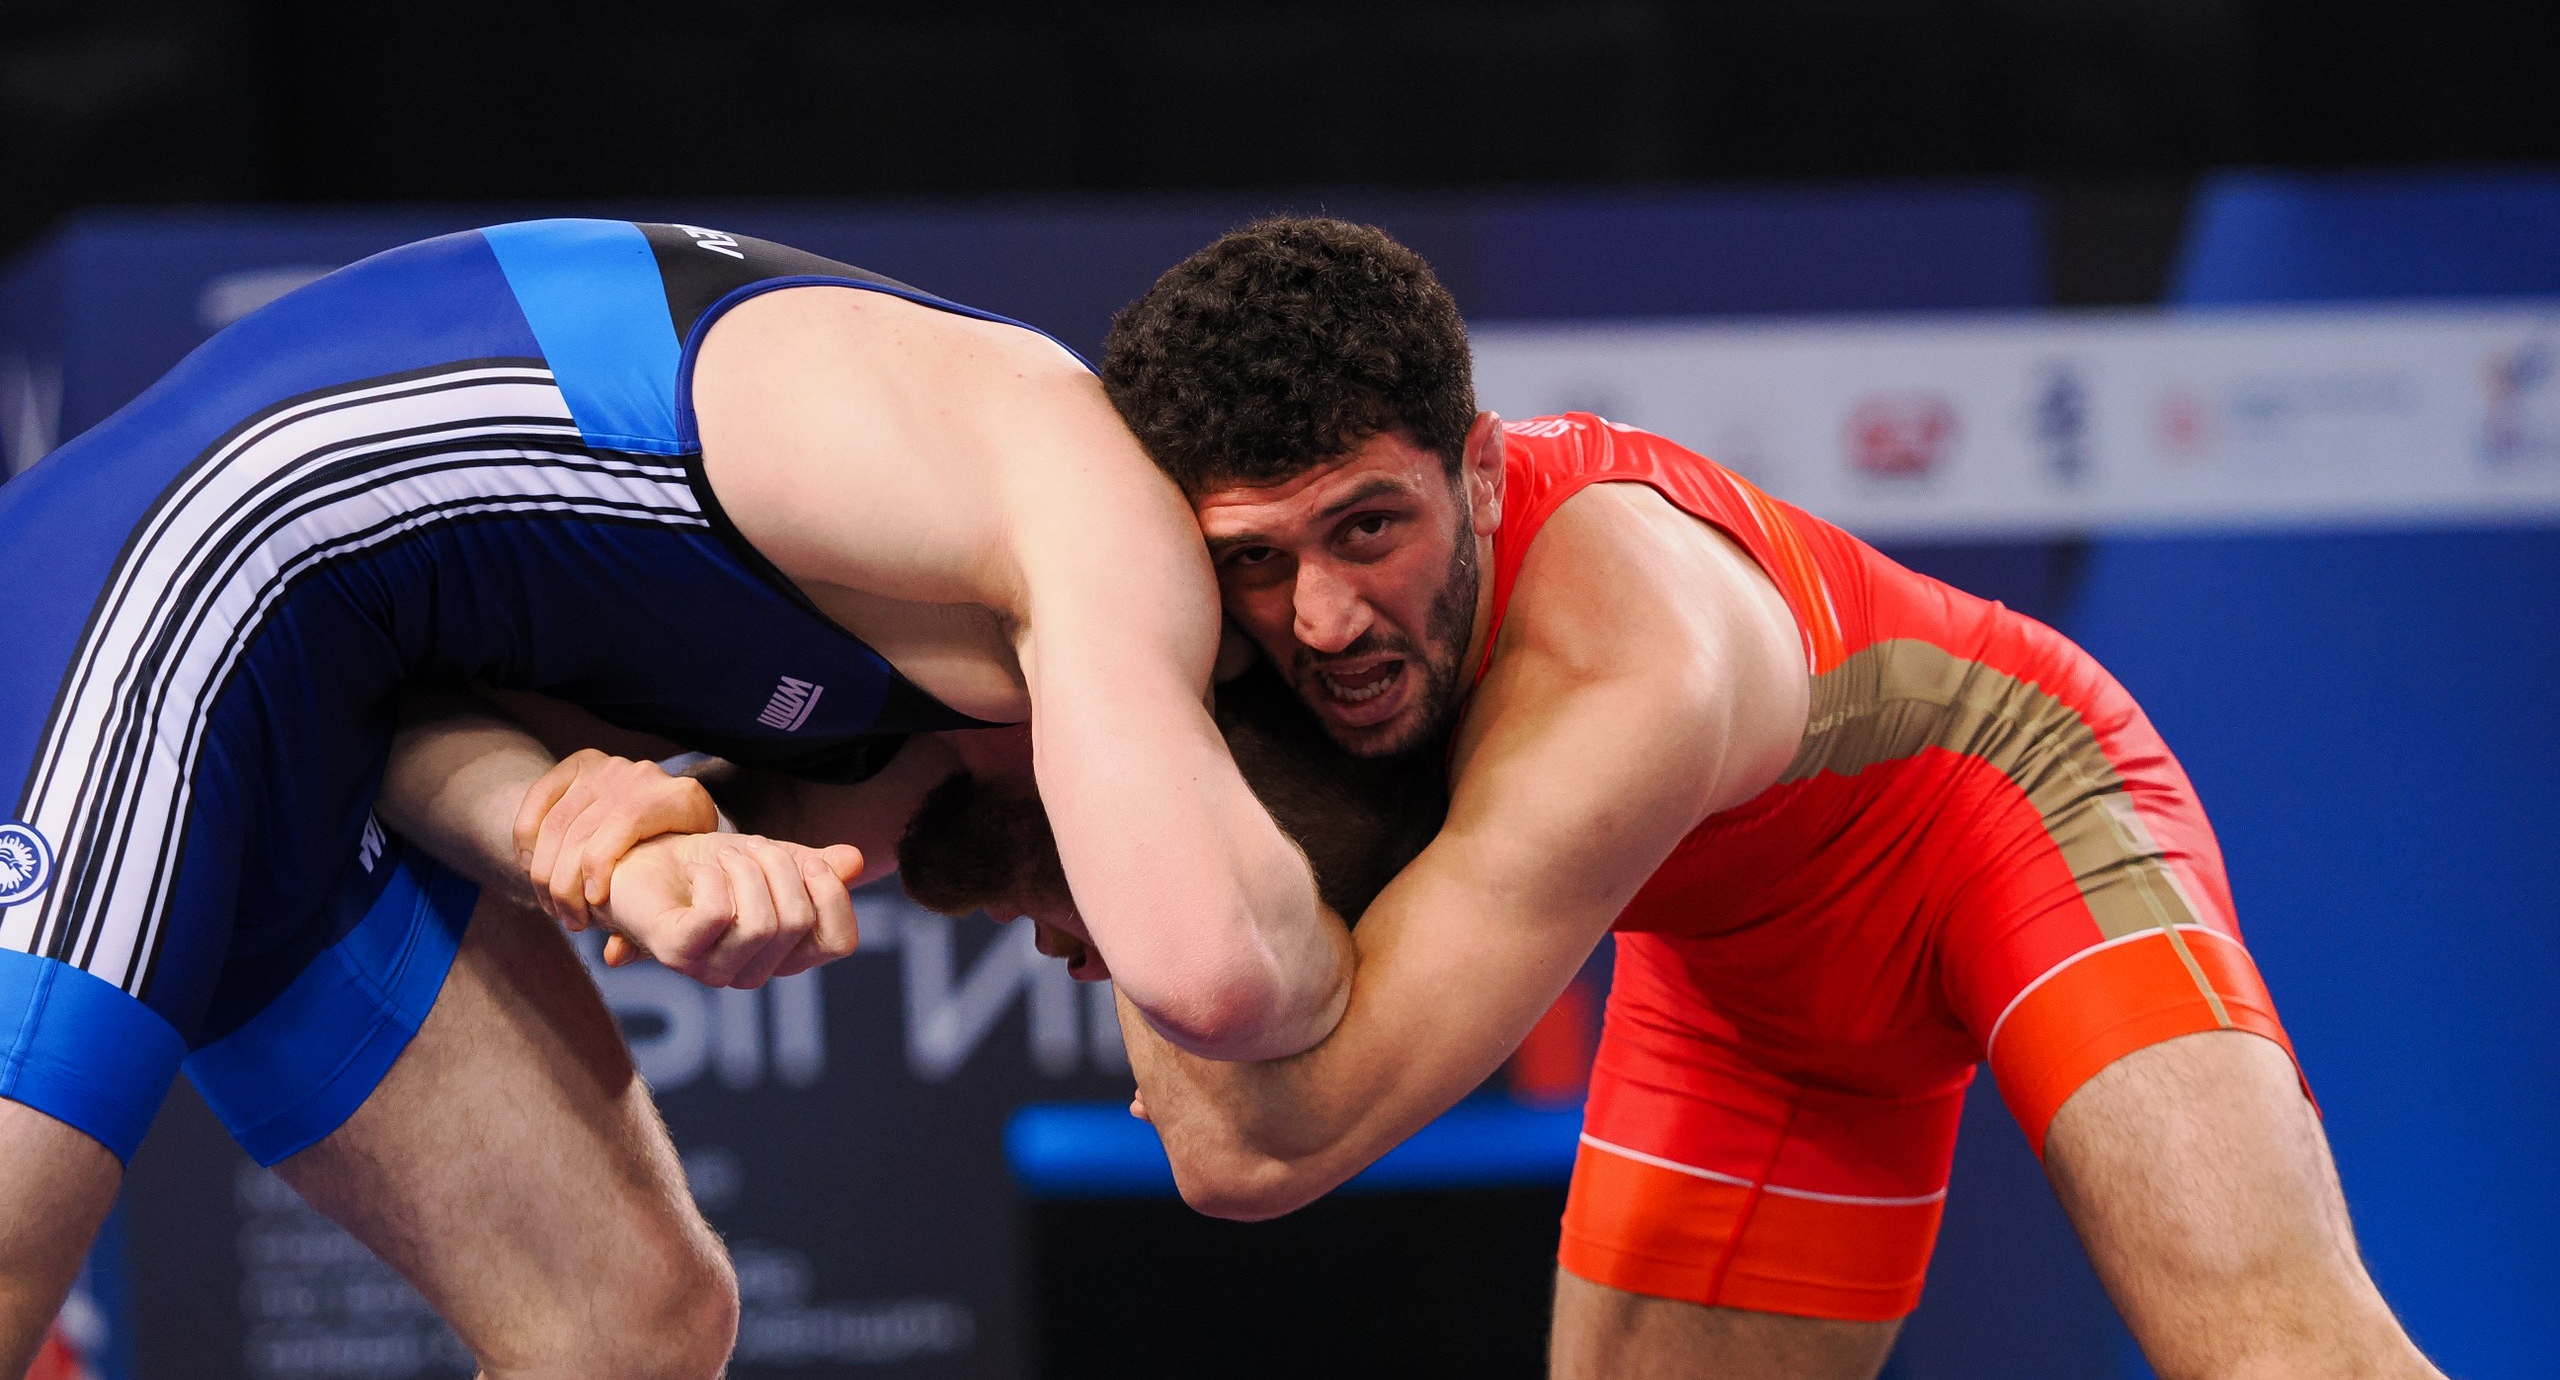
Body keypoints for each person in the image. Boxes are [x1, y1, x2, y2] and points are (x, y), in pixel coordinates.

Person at [1094, 217, 2446, 1380]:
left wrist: (1121, 719)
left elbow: (1247, 1156)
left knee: (2281, 1354)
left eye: (1369, 528)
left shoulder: (1623, 673)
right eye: (1255, 560)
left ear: (1483, 475)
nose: (1323, 620)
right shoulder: (1270, 625)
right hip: (1744, 985)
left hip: (2014, 808)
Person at [0, 219, 1348, 1377]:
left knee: (626, 1322)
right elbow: (1214, 979)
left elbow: (412, 721)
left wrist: (596, 844)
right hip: (182, 576)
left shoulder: (913, 743)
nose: (1091, 969)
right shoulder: (1096, 514)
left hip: (313, 711)